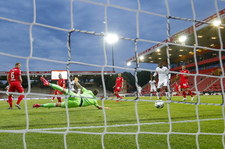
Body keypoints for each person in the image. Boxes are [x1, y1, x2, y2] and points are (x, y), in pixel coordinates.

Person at [33, 77, 110, 110]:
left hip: (76, 96)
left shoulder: (88, 91)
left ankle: (48, 84)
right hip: (77, 103)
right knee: (57, 105)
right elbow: (99, 107)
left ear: (92, 91)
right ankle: (40, 105)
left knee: (63, 90)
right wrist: (105, 108)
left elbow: (79, 86)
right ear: (96, 95)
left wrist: (76, 81)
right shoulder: (95, 100)